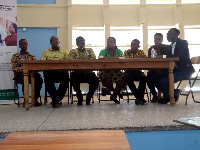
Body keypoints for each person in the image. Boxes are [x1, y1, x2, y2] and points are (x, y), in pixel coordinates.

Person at [157, 28, 195, 104]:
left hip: (185, 70)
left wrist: (164, 56)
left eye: (169, 34)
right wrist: (161, 56)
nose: (167, 36)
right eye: (167, 35)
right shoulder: (171, 45)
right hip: (176, 70)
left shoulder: (183, 43)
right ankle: (174, 93)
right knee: (157, 77)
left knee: (165, 80)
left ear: (176, 35)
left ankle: (169, 96)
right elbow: (168, 55)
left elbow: (178, 56)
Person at [11, 39, 43, 106]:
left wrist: (30, 70)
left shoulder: (32, 57)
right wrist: (24, 70)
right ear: (19, 46)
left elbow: (35, 67)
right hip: (20, 75)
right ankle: (26, 100)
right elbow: (14, 67)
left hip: (31, 74)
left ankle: (35, 99)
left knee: (39, 79)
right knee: (24, 79)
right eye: (22, 44)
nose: (24, 45)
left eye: (25, 44)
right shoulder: (15, 56)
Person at [68, 36, 99, 105]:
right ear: (76, 43)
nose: (82, 44)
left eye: (83, 42)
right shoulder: (73, 51)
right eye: (80, 42)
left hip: (88, 73)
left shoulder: (89, 50)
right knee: (73, 79)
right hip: (77, 73)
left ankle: (89, 97)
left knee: (96, 80)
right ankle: (79, 97)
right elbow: (70, 60)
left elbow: (93, 59)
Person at [41, 36, 69, 108]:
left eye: (57, 40)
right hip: (50, 73)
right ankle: (56, 99)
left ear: (59, 42)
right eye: (53, 41)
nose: (56, 42)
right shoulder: (46, 52)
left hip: (61, 72)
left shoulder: (65, 52)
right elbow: (42, 62)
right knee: (46, 76)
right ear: (50, 43)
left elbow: (68, 62)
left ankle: (56, 99)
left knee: (66, 77)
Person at [98, 37, 126, 104]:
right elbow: (100, 58)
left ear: (114, 43)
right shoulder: (103, 51)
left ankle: (114, 95)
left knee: (122, 80)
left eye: (111, 42)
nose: (109, 44)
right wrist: (114, 58)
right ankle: (117, 93)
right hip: (105, 71)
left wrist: (108, 58)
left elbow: (122, 57)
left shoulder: (118, 51)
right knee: (107, 81)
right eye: (108, 42)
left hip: (117, 71)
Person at [147, 33, 171, 102]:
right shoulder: (151, 48)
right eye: (155, 39)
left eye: (159, 39)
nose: (157, 41)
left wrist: (160, 56)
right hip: (154, 69)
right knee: (149, 78)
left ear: (162, 40)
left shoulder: (167, 47)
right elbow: (149, 59)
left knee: (162, 78)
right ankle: (155, 95)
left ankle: (167, 93)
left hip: (165, 69)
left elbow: (168, 57)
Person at [124, 39, 147, 105]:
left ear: (138, 46)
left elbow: (145, 59)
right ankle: (139, 97)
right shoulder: (127, 51)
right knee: (128, 78)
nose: (133, 46)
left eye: (135, 45)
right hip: (128, 71)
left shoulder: (141, 52)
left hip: (137, 71)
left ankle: (139, 98)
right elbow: (125, 60)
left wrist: (142, 57)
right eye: (132, 45)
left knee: (144, 78)